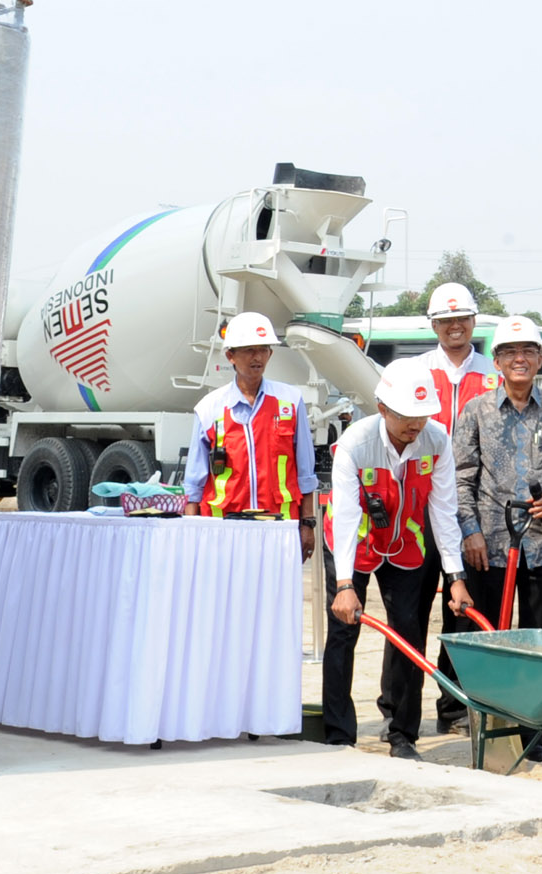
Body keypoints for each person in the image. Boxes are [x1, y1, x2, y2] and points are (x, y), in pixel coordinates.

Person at [322, 359, 472, 759]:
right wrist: (344, 586)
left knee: (408, 633)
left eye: (423, 415)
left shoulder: (436, 440)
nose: (416, 425)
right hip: (352, 544)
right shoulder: (357, 442)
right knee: (343, 630)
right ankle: (339, 733)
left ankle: (402, 733)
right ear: (383, 408)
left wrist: (455, 576)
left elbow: (443, 511)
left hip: (405, 543)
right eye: (407, 415)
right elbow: (348, 514)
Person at [404, 280, 499, 732]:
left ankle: (454, 708)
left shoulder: (492, 374)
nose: (454, 326)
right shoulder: (417, 370)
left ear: (474, 322)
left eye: (462, 318)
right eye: (445, 320)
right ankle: (398, 710)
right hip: (418, 509)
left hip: (472, 512)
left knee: (461, 614)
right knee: (411, 610)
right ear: (434, 325)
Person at [452, 313, 542, 633]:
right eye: (509, 351)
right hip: (488, 549)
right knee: (487, 638)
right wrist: (470, 532)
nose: (519, 358)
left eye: (528, 350)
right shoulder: (475, 410)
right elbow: (462, 478)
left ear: (540, 359)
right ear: (496, 361)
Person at [182, 311, 318, 560]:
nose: (257, 357)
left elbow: (305, 472)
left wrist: (308, 523)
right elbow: (194, 482)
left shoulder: (290, 401)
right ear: (230, 356)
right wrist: (192, 530)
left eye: (263, 349)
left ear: (271, 353)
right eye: (248, 350)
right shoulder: (209, 408)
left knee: (277, 598)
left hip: (278, 525)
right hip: (223, 528)